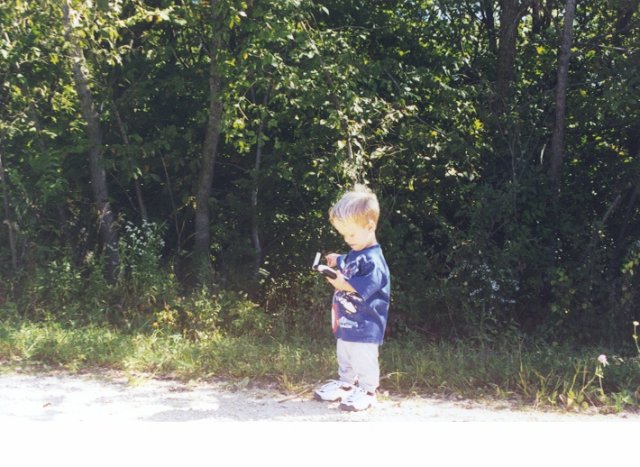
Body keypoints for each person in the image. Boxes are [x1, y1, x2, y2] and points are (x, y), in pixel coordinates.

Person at [313, 184, 391, 411]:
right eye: (344, 234)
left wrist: (338, 281)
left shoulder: (374, 260)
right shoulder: (357, 252)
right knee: (345, 353)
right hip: (348, 320)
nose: (348, 239)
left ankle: (367, 390)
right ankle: (346, 385)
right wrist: (337, 259)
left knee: (363, 357)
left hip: (366, 323)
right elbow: (348, 260)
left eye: (352, 234)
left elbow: (358, 287)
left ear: (370, 226)